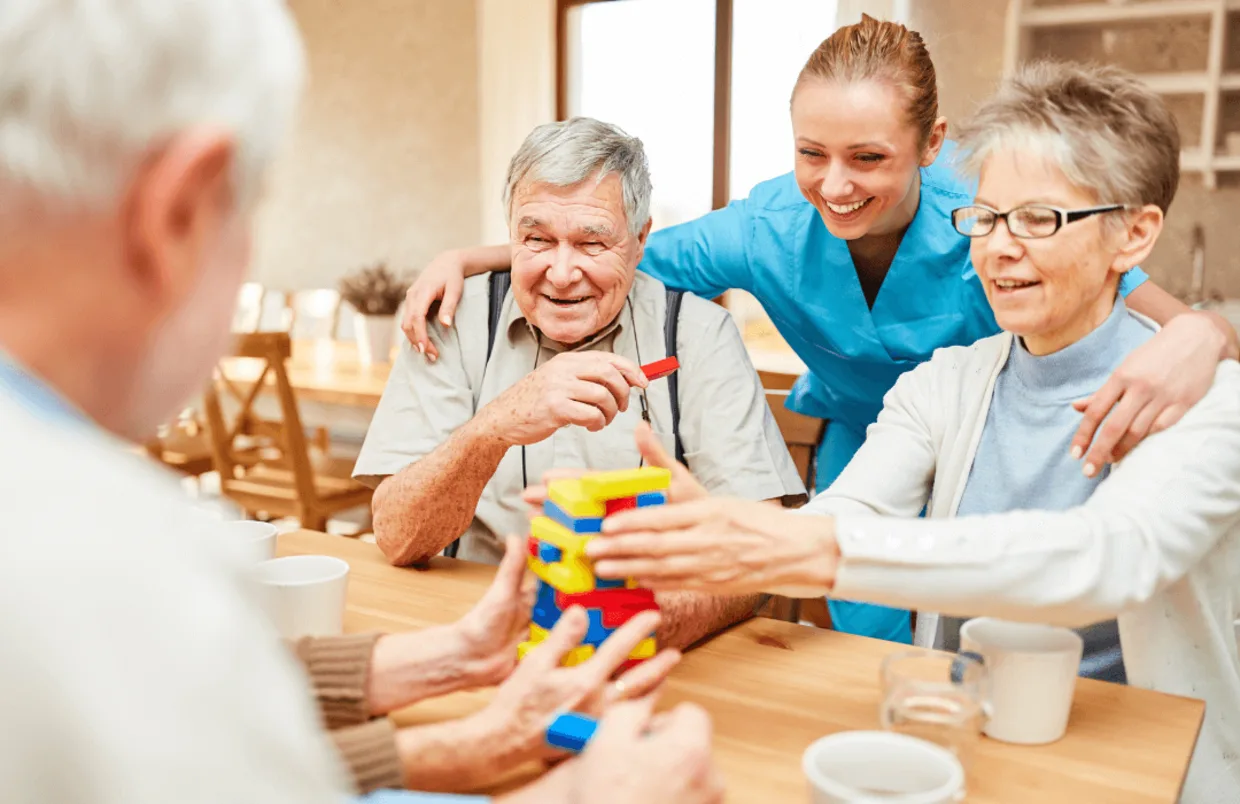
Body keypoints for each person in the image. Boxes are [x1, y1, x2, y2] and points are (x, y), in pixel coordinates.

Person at [0, 2, 724, 802]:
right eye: (253, 205)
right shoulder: (106, 557)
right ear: (174, 212)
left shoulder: (85, 540)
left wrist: (447, 676)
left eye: (591, 242)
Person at [396, 15, 1238, 645]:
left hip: (1002, 438)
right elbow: (615, 249)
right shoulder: (776, 235)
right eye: (812, 154)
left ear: (930, 146)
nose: (834, 185)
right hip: (880, 432)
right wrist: (486, 257)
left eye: (868, 158)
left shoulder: (986, 223)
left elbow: (1107, 543)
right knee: (878, 640)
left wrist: (1203, 336)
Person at [583, 62, 1240, 804]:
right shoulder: (948, 381)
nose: (999, 247)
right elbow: (853, 510)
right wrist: (732, 534)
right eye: (987, 217)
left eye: (1038, 219)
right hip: (968, 743)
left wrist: (806, 547)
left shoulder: (1209, 399)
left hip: (1143, 765)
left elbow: (1108, 556)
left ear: (1135, 234)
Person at [353, 117, 804, 650]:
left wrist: (621, 625)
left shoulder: (698, 334)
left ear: (640, 241)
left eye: (592, 243)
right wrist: (493, 427)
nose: (562, 272)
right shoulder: (453, 319)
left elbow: (755, 556)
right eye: (537, 238)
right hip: (470, 632)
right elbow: (399, 536)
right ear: (511, 235)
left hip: (644, 639)